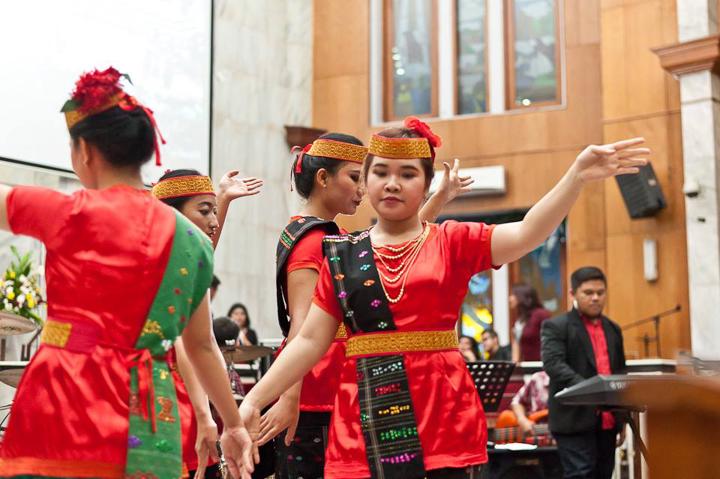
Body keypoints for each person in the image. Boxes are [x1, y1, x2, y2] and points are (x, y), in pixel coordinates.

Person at [240, 116, 648, 479]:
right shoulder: (341, 255)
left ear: (425, 185)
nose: (392, 183)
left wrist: (575, 176)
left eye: (407, 174)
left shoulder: (452, 241)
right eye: (380, 172)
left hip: (442, 414)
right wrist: (254, 400)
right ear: (367, 180)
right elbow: (309, 340)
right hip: (361, 417)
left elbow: (527, 233)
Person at [0, 67, 253, 479]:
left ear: (85, 151)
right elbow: (202, 346)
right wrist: (234, 424)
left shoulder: (67, 212)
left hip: (64, 400)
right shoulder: (193, 242)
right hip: (149, 415)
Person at [264, 132, 469, 479]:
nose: (363, 189)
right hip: (317, 393)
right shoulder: (313, 241)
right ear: (323, 178)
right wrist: (288, 398)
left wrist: (437, 198)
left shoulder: (326, 236)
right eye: (355, 177)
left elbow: (403, 240)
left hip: (328, 388)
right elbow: (302, 326)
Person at [153, 167, 262, 478]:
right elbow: (187, 342)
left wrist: (223, 200)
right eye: (205, 211)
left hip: (178, 389)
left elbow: (199, 258)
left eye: (214, 211)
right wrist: (205, 414)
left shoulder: (173, 259)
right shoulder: (162, 264)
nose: (213, 221)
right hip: (166, 394)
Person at [542, 267, 628, 479]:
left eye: (600, 292)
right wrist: (591, 391)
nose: (595, 298)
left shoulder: (613, 329)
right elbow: (553, 364)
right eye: (588, 293)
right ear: (573, 294)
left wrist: (622, 419)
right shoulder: (556, 326)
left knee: (604, 474)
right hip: (573, 418)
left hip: (608, 421)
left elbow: (620, 373)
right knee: (580, 474)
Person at [511, 283, 551, 361]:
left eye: (513, 295)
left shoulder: (541, 314)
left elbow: (551, 340)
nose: (510, 298)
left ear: (521, 296)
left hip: (540, 364)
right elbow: (516, 343)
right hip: (526, 364)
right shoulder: (520, 319)